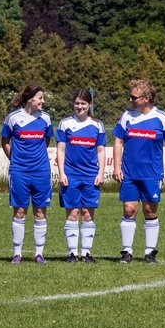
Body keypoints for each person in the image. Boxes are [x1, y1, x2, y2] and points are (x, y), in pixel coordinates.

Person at [112, 79, 165, 264]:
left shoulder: (162, 118)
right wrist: (116, 167)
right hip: (129, 173)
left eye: (134, 97)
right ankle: (126, 252)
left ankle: (150, 253)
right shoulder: (127, 116)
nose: (130, 99)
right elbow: (118, 141)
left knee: (149, 211)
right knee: (129, 209)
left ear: (146, 98)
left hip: (151, 174)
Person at [1, 84, 54, 264]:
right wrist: (15, 160)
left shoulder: (46, 118)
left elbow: (46, 140)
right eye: (40, 97)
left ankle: (39, 253)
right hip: (19, 172)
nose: (43, 101)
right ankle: (17, 253)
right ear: (30, 98)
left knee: (40, 212)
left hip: (41, 171)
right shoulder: (13, 118)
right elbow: (5, 141)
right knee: (20, 211)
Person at [55, 89, 107, 263]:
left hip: (91, 176)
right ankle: (71, 253)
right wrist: (61, 173)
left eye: (83, 104)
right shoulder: (65, 124)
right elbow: (61, 149)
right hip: (70, 175)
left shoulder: (98, 126)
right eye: (77, 103)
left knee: (87, 214)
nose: (79, 107)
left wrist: (100, 173)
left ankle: (86, 252)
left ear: (90, 105)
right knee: (72, 213)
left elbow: (100, 151)